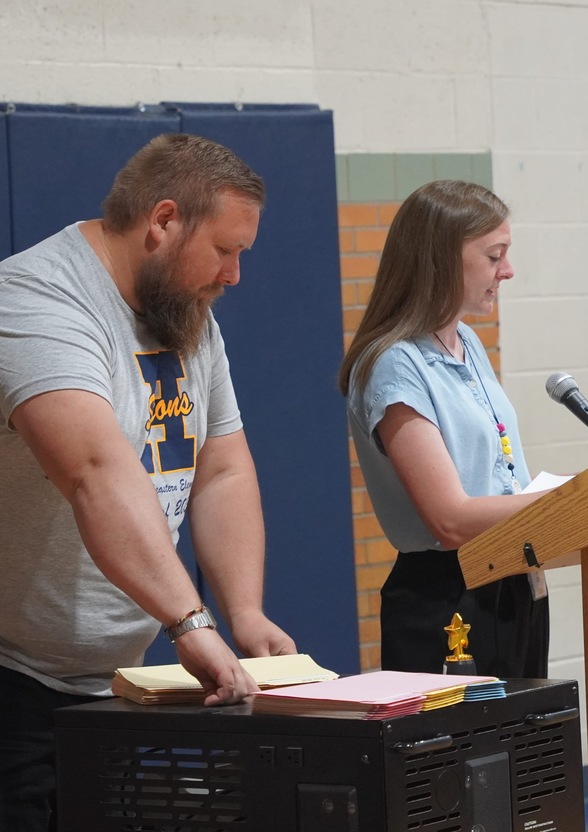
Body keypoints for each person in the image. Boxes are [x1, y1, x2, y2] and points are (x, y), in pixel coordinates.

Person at [0, 133, 296, 831]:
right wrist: (189, 622)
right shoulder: (35, 300)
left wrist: (244, 612)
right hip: (15, 687)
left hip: (118, 687)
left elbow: (221, 469)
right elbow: (96, 473)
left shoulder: (187, 313)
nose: (234, 276)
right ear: (163, 221)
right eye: (225, 251)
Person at [340, 179, 550, 679]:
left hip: (512, 577)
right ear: (441, 259)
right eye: (494, 255)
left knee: (529, 727)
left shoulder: (467, 340)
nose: (508, 270)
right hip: (449, 592)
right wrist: (566, 502)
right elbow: (449, 519)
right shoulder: (394, 363)